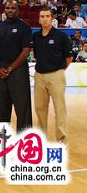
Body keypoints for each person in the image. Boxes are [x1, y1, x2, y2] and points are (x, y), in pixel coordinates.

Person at [33, 8, 73, 143]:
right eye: (42, 16)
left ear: (52, 19)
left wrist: (59, 71)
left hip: (56, 75)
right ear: (39, 19)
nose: (44, 19)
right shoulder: (36, 36)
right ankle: (41, 140)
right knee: (40, 110)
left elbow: (69, 58)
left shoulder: (61, 36)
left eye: (47, 16)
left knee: (60, 110)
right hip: (39, 76)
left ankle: (61, 141)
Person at [0, 2, 33, 132]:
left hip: (18, 69)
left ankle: (24, 138)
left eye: (13, 8)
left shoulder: (24, 27)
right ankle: (4, 137)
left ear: (18, 11)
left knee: (22, 106)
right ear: (4, 10)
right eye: (7, 8)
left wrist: (10, 69)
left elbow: (26, 51)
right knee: (2, 105)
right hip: (1, 69)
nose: (10, 10)